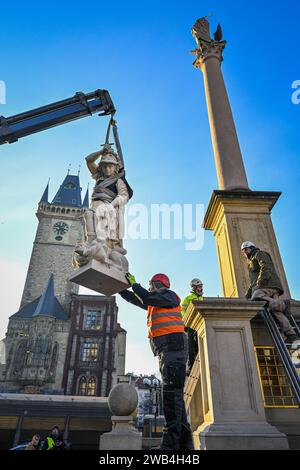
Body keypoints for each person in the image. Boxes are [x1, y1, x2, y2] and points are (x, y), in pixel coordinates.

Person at [119, 273, 194, 450]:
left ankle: (169, 446)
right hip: (168, 350)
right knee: (176, 399)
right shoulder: (157, 303)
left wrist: (134, 284)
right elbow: (139, 299)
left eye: (150, 285)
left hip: (172, 350)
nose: (149, 288)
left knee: (170, 398)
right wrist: (121, 290)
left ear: (157, 284)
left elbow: (144, 296)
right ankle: (184, 445)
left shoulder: (170, 296)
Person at [241, 241, 297, 345]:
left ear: (251, 248)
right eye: (243, 251)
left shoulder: (259, 254)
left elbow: (266, 266)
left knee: (257, 297)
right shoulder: (250, 262)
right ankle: (291, 334)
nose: (244, 252)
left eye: (246, 249)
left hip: (269, 285)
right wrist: (247, 294)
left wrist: (261, 280)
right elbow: (253, 282)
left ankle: (283, 305)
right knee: (276, 311)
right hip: (264, 287)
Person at [181, 279, 204, 375]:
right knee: (190, 346)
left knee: (199, 345)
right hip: (191, 325)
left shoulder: (203, 299)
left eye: (201, 286)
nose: (200, 288)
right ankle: (190, 367)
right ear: (194, 288)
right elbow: (183, 311)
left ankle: (201, 361)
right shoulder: (188, 298)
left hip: (201, 324)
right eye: (198, 287)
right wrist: (185, 323)